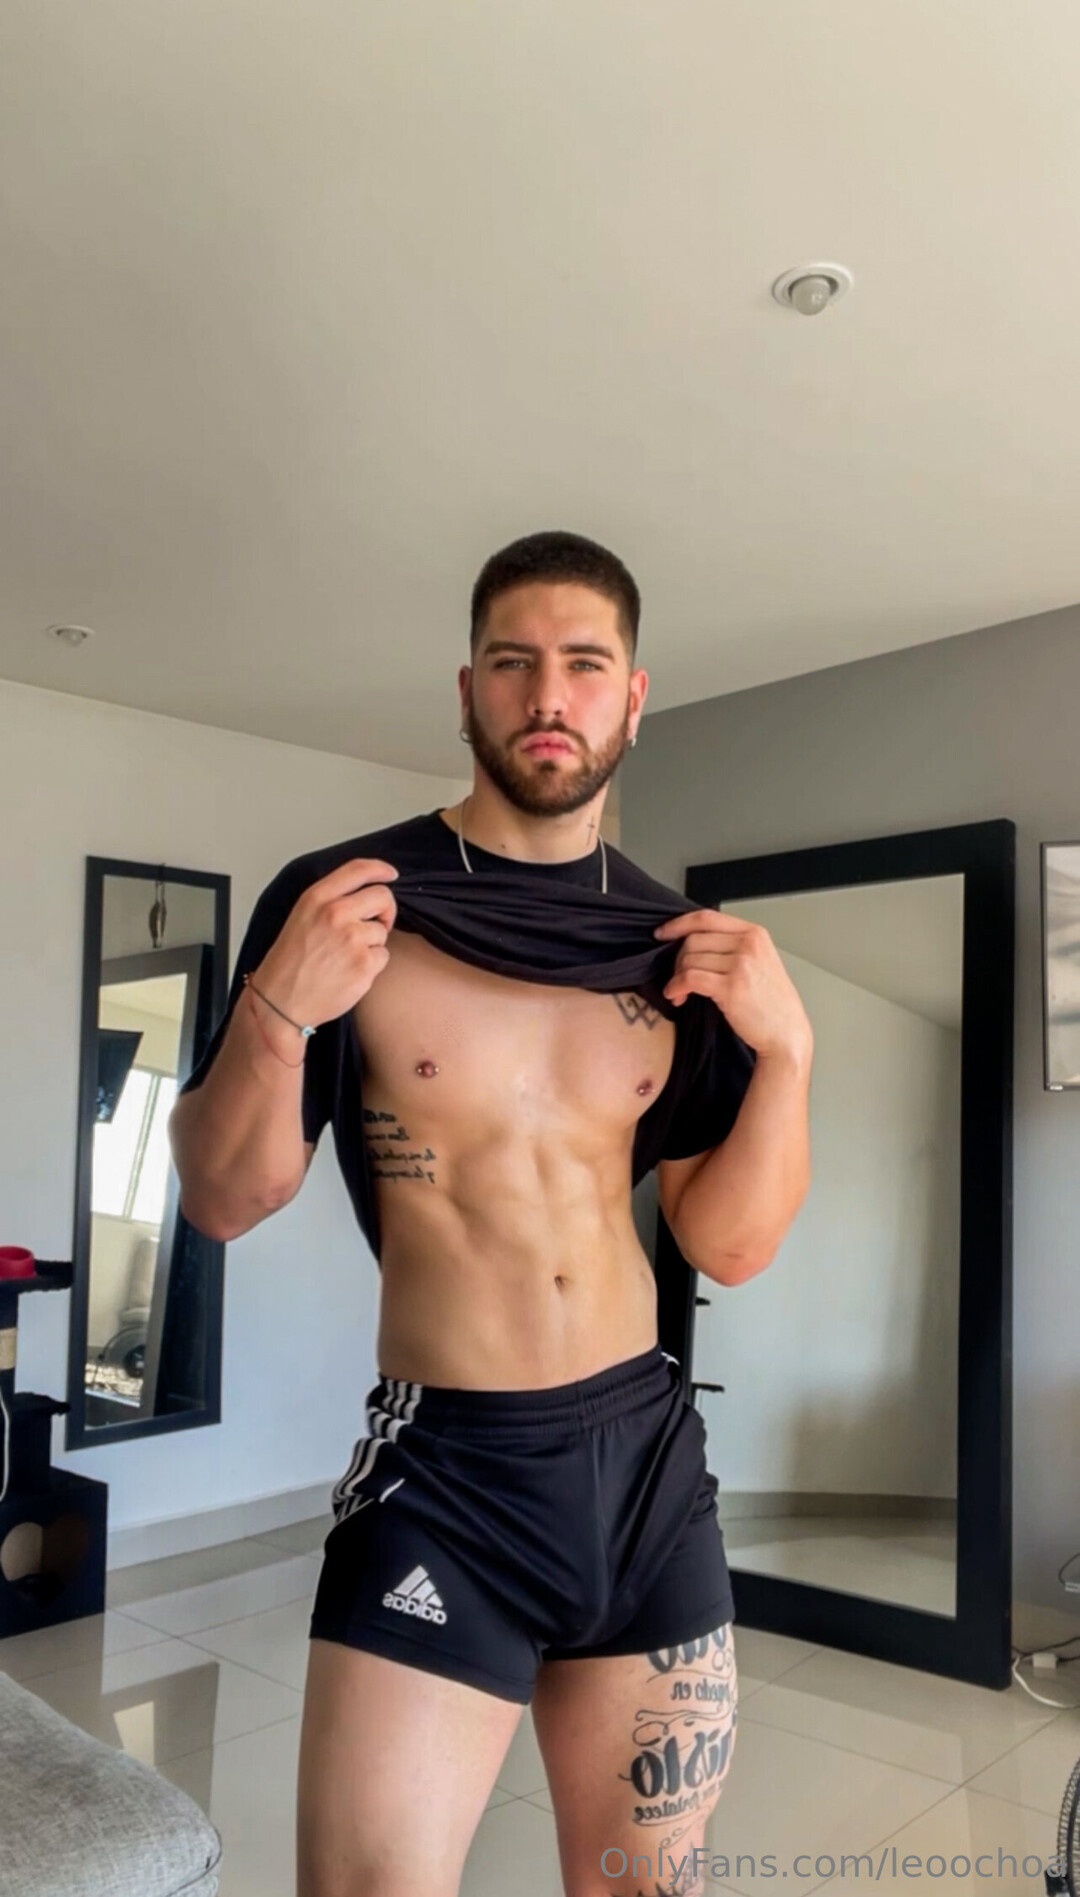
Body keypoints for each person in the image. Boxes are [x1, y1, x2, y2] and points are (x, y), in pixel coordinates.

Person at [168, 530, 814, 1897]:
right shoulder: (352, 905)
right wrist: (278, 1008)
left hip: (649, 1466)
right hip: (450, 1472)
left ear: (633, 695)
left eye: (584, 664)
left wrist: (791, 1057)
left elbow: (729, 1243)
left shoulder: (674, 950)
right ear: (468, 689)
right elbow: (225, 1197)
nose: (548, 695)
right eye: (514, 663)